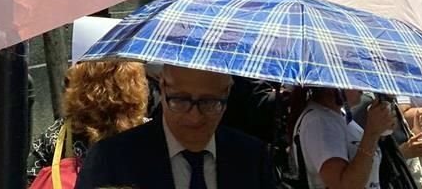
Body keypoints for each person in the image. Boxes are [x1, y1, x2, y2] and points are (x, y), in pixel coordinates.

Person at [75, 64, 275, 189]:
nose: (194, 117)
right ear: (162, 87)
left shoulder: (251, 157)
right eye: (180, 100)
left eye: (209, 103)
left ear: (227, 93)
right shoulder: (112, 159)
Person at [29, 61, 148, 177]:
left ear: (78, 84)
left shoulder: (57, 136)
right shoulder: (152, 135)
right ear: (135, 84)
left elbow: (25, 179)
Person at [294, 88, 395, 189]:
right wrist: (372, 133)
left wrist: (379, 129)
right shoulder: (319, 121)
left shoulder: (338, 115)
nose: (361, 87)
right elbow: (342, 185)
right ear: (332, 87)